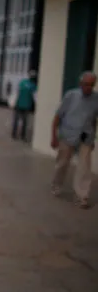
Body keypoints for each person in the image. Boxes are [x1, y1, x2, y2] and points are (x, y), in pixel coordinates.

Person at [50, 71, 98, 209]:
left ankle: (82, 196)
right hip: (67, 134)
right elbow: (58, 116)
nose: (88, 87)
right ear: (80, 84)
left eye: (91, 85)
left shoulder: (96, 99)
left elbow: (94, 120)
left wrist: (93, 138)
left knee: (84, 168)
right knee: (62, 163)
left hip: (86, 136)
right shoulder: (71, 96)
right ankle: (56, 185)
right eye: (86, 84)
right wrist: (54, 136)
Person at [12, 70, 37, 141]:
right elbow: (35, 97)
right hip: (26, 106)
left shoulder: (22, 82)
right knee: (25, 122)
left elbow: (16, 93)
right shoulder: (33, 85)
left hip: (18, 104)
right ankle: (22, 136)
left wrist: (13, 103)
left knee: (16, 120)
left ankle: (14, 134)